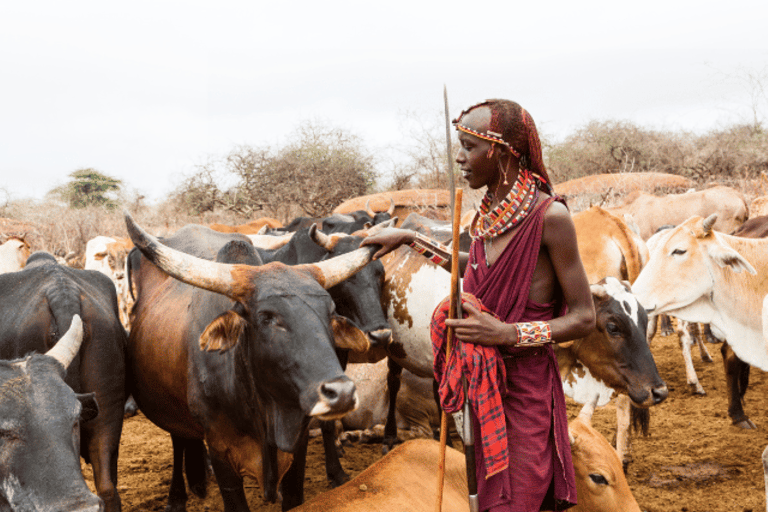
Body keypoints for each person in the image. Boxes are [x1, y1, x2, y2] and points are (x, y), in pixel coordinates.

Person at [361, 99, 595, 511]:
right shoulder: (489, 215)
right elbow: (483, 268)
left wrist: (508, 334)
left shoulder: (549, 217)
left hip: (525, 392)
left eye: (469, 147)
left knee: (517, 500)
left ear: (500, 153)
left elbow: (583, 318)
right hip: (483, 385)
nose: (459, 157)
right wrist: (413, 242)